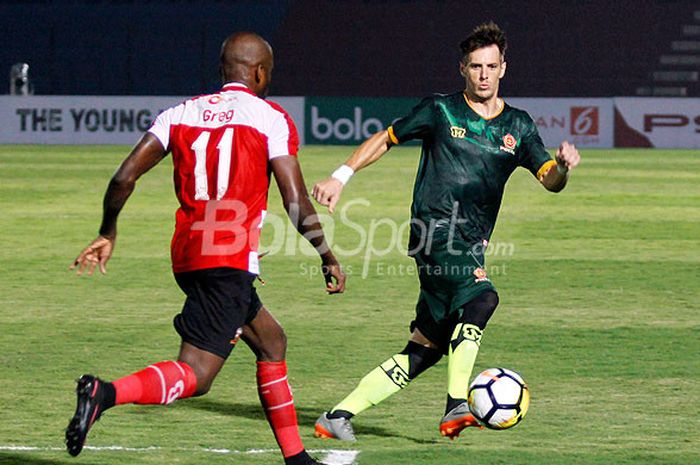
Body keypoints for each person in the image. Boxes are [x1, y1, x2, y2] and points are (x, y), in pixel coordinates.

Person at [66, 32, 345, 465]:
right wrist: (325, 253)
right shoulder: (271, 117)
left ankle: (297, 459)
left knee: (272, 342)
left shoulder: (179, 113)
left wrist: (108, 231)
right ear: (259, 72)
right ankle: (106, 393)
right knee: (197, 375)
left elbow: (123, 177)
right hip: (226, 258)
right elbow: (294, 198)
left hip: (190, 253)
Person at [311, 21, 580, 441]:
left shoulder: (520, 126)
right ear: (463, 69)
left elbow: (549, 179)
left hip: (470, 244)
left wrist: (561, 166)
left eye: (491, 66)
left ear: (503, 68)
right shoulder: (441, 110)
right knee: (483, 298)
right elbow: (385, 138)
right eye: (476, 67)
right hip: (435, 231)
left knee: (426, 349)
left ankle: (338, 415)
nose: (484, 75)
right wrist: (340, 175)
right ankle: (457, 404)